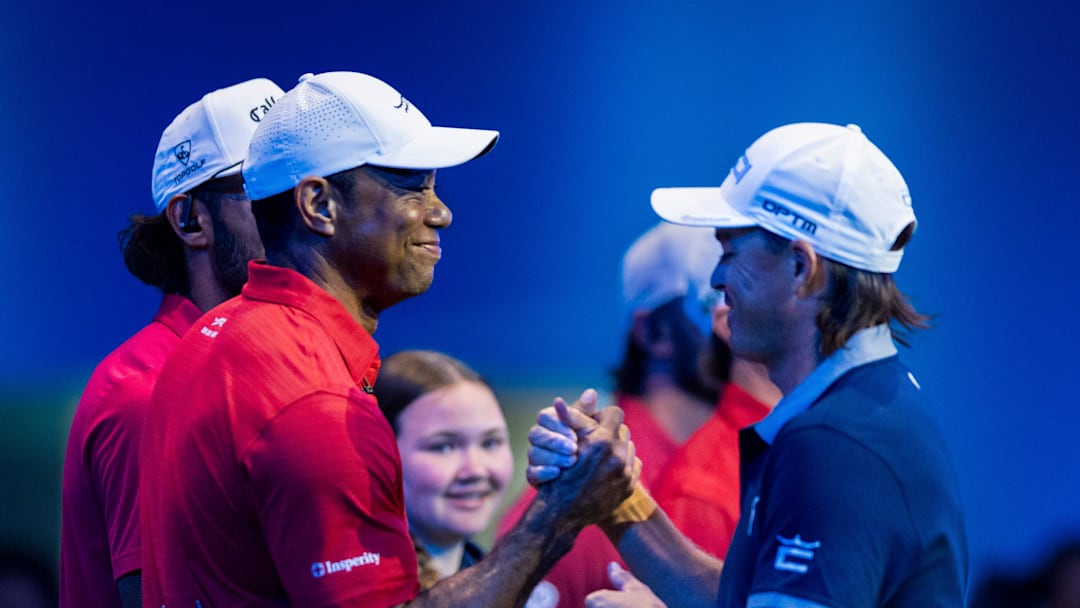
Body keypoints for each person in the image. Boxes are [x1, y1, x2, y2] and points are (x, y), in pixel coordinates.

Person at [138, 70, 638, 608]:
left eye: (434, 187)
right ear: (319, 205)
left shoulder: (210, 339)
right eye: (411, 185)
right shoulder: (315, 401)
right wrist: (559, 515)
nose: (441, 213)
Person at [534, 122, 969, 607]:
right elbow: (745, 598)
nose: (716, 279)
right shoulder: (870, 403)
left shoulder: (832, 443)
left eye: (730, 251)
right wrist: (614, 498)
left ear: (801, 268)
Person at [58, 77, 284, 608]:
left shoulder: (265, 366)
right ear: (189, 219)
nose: (299, 215)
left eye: (303, 188)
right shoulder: (146, 394)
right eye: (264, 192)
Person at [499, 221, 777, 608]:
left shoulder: (742, 453)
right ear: (653, 333)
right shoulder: (585, 479)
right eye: (712, 300)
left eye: (743, 294)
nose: (732, 318)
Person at [372, 350, 514, 588]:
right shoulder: (348, 591)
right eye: (443, 447)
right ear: (380, 457)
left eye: (490, 443)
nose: (475, 470)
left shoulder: (496, 581)